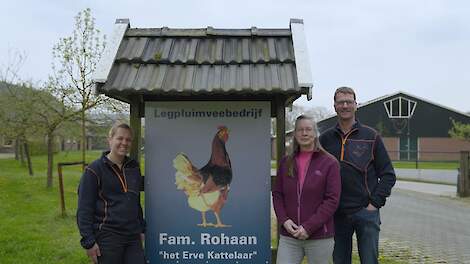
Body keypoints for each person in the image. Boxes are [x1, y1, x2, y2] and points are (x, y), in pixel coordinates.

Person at [319, 87, 396, 264]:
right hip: (337, 214)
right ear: (335, 106)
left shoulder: (371, 136)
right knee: (339, 260)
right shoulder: (325, 139)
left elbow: (388, 174)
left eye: (349, 102)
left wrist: (374, 203)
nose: (345, 105)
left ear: (356, 105)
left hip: (366, 213)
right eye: (341, 102)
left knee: (369, 260)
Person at [273, 115, 341, 264]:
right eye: (300, 130)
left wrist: (308, 227)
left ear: (315, 133)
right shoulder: (286, 162)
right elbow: (277, 194)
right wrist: (284, 220)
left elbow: (332, 200)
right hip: (289, 236)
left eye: (308, 129)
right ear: (295, 134)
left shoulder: (329, 163)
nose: (304, 133)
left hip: (319, 236)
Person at [77, 122, 145, 264]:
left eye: (128, 140)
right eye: (120, 138)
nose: (124, 143)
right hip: (108, 236)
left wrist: (141, 227)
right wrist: (89, 242)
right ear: (110, 140)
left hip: (132, 236)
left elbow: (135, 201)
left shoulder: (133, 167)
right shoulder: (94, 170)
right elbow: (84, 209)